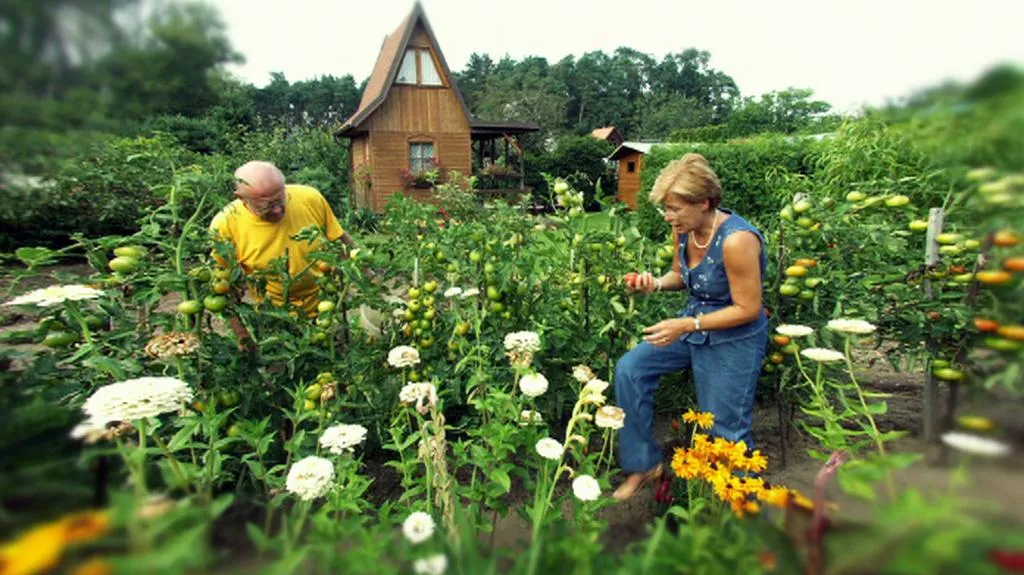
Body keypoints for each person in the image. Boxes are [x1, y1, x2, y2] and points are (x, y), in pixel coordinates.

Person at [611, 153, 769, 501]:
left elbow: (748, 308)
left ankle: (744, 509)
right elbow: (681, 276)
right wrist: (654, 284)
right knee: (631, 369)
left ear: (705, 203)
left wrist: (686, 325)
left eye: (675, 208)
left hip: (735, 336)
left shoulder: (737, 240)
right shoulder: (683, 230)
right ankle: (645, 465)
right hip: (693, 325)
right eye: (666, 208)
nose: (669, 216)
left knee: (725, 427)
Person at [209, 161, 355, 327]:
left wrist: (368, 274)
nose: (277, 210)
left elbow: (339, 238)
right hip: (272, 318)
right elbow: (223, 287)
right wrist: (242, 334)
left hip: (326, 311)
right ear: (242, 198)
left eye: (280, 200)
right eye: (267, 205)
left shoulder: (310, 198)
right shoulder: (225, 224)